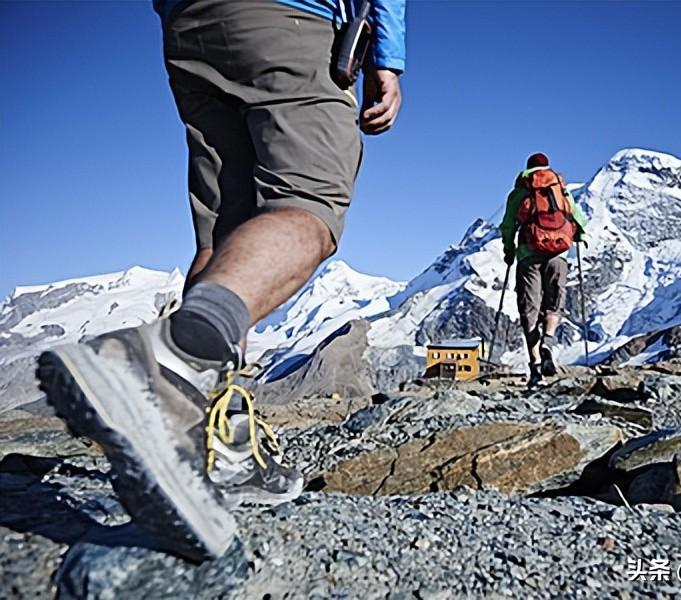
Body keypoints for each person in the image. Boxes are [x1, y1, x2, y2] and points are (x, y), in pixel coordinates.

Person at [37, 0, 405, 561]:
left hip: (187, 25)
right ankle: (167, 362)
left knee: (222, 234)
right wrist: (388, 57)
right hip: (290, 19)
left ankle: (216, 447)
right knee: (309, 205)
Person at [500, 153, 587, 388]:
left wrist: (509, 252)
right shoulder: (559, 188)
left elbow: (507, 225)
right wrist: (578, 235)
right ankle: (548, 340)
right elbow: (579, 219)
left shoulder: (522, 190)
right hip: (559, 254)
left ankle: (535, 366)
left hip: (529, 254)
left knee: (530, 308)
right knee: (553, 304)